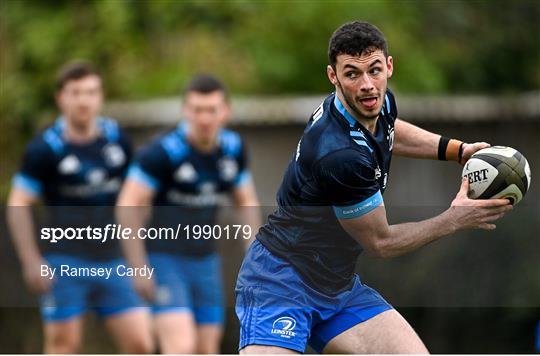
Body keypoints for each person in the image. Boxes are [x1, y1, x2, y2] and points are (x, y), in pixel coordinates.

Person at [235, 21, 513, 354]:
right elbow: (382, 242)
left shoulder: (377, 103)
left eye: (375, 70)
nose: (367, 85)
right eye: (352, 74)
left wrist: (457, 150)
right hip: (280, 281)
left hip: (336, 286)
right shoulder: (338, 154)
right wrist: (455, 218)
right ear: (333, 77)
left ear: (389, 66)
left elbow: (391, 129)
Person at [6, 62, 153, 354]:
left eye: (91, 92)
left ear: (100, 97)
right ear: (61, 98)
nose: (84, 100)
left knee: (141, 343)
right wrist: (31, 260)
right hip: (65, 262)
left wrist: (138, 256)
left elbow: (137, 197)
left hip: (114, 260)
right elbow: (19, 202)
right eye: (76, 93)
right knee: (64, 346)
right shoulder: (44, 149)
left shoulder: (117, 141)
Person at [117, 74, 261, 354]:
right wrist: (137, 266)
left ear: (225, 112)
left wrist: (255, 257)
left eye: (211, 110)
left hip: (205, 261)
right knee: (181, 347)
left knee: (207, 348)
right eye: (197, 110)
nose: (204, 118)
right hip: (164, 260)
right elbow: (127, 206)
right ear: (185, 111)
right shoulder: (162, 153)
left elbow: (245, 202)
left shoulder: (232, 149)